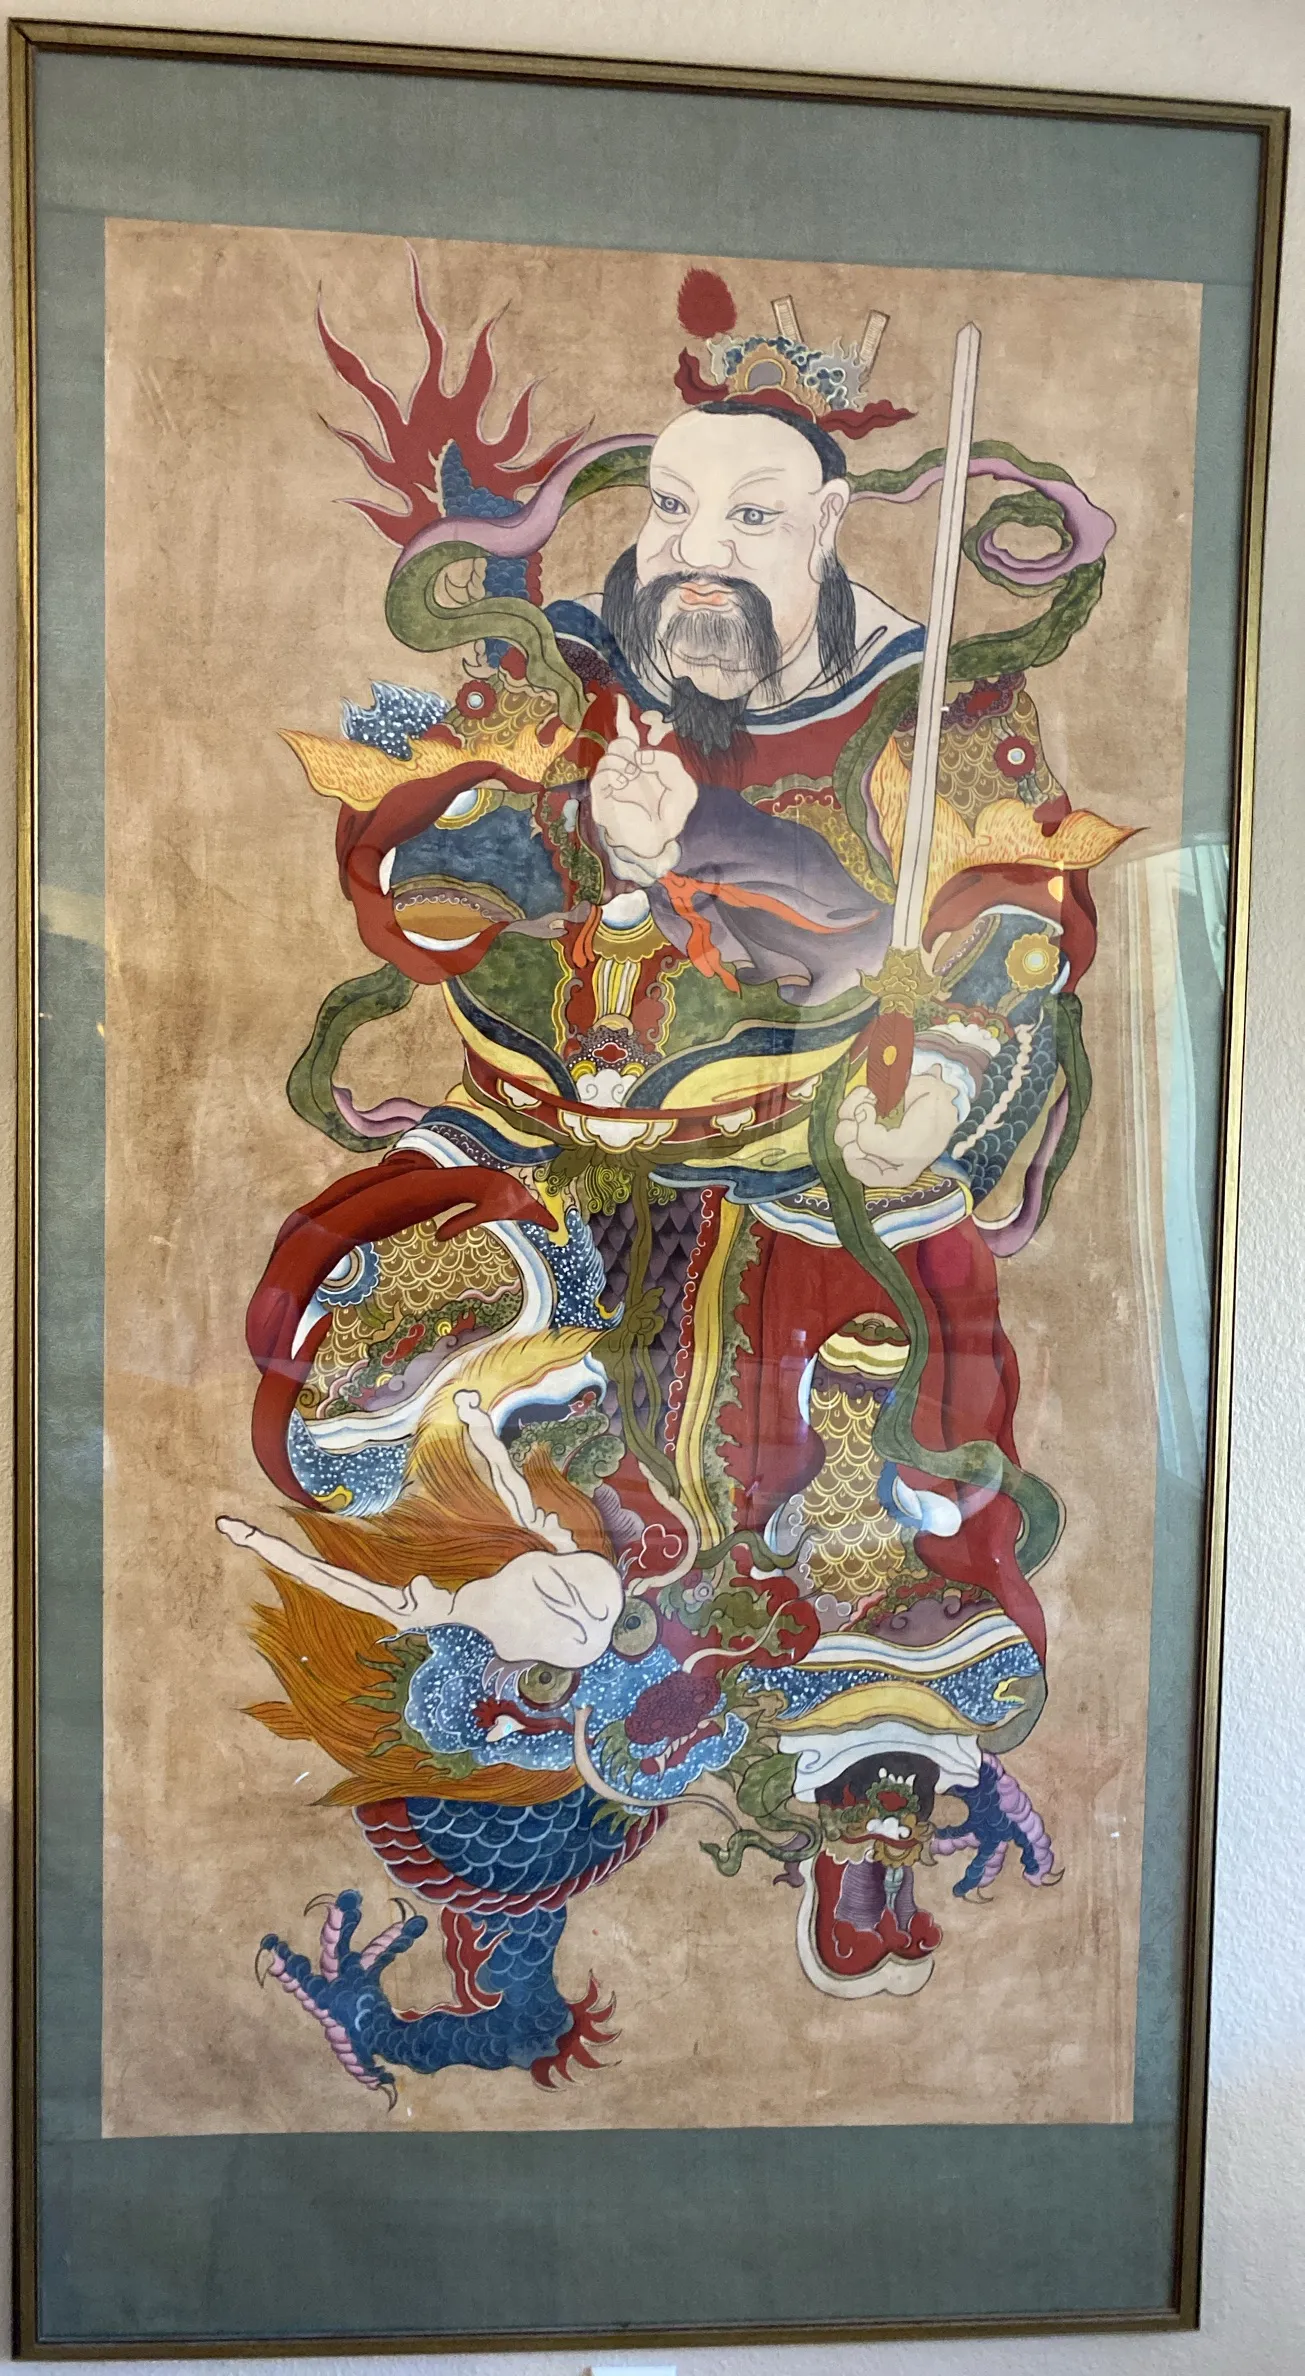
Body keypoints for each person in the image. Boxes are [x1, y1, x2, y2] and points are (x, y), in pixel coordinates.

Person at [252, 265, 1123, 1997]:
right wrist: (576, 834)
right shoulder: (557, 678)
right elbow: (408, 870)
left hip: (796, 1187)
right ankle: (510, 1682)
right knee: (402, 1368)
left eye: (751, 516)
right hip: (539, 1161)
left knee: (864, 1504)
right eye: (672, 508)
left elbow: (1013, 935)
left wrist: (934, 1069)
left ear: (832, 529)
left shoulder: (931, 713)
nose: (698, 552)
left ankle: (864, 1821)